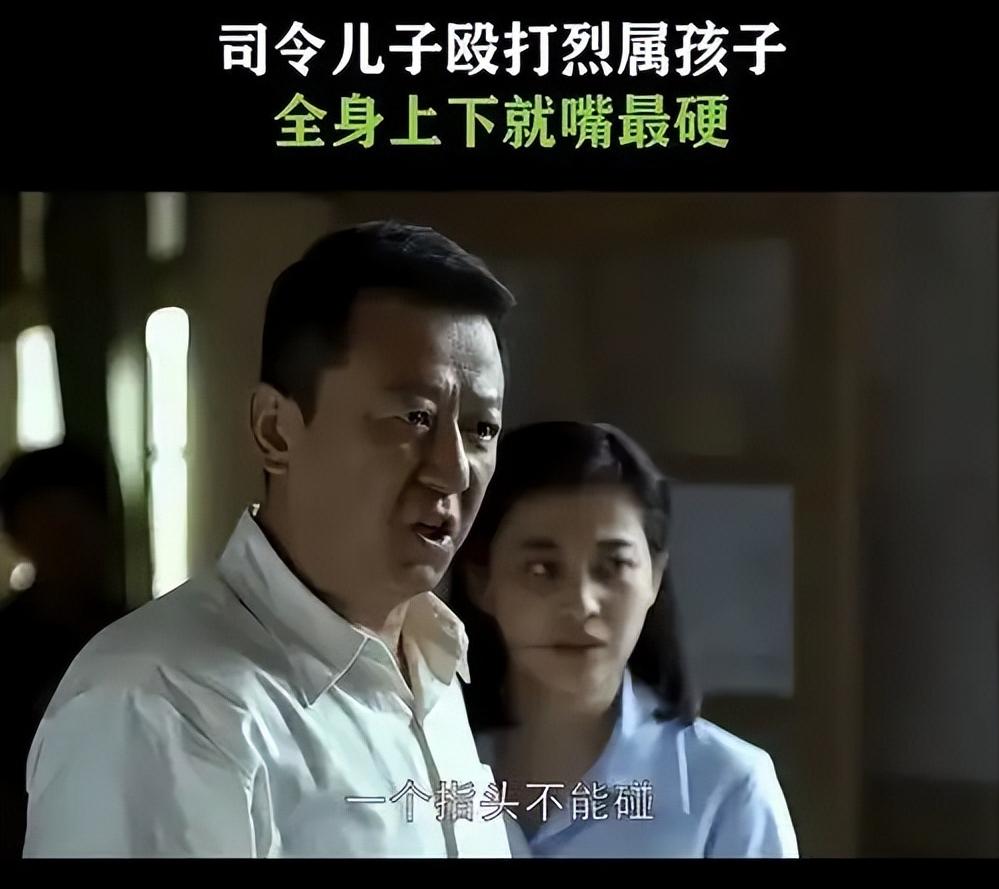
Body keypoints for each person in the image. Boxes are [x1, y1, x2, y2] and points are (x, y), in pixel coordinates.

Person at [23, 221, 516, 857]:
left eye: (481, 429)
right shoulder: (158, 702)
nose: (454, 470)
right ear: (275, 431)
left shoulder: (435, 664)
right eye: (414, 417)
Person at [448, 421, 798, 857]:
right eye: (542, 569)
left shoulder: (725, 788)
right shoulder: (431, 762)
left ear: (654, 577)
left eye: (612, 567)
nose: (582, 604)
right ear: (481, 581)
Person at [0, 443, 125, 858]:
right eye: (52, 528)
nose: (69, 544)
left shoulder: (141, 637)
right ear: (19, 534)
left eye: (78, 525)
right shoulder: (7, 645)